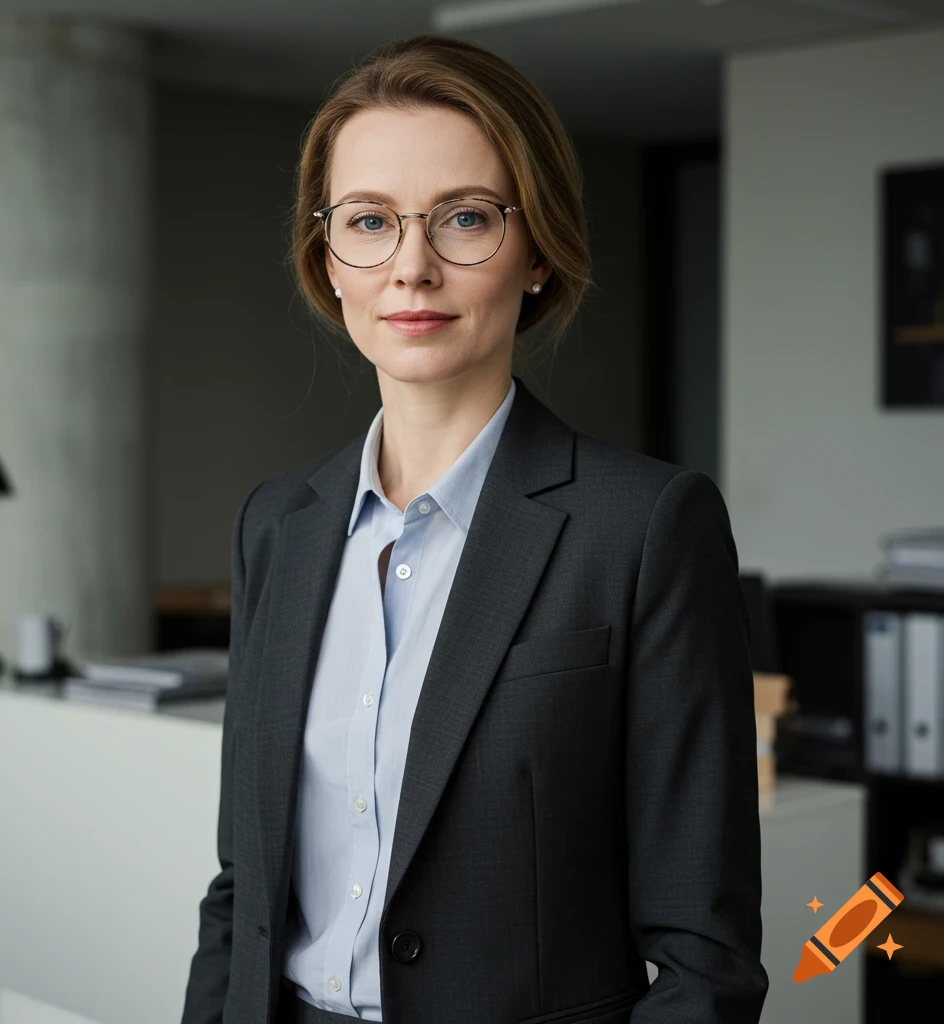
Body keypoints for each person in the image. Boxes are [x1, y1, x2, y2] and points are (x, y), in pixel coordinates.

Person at [181, 32, 769, 1024]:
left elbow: (705, 958)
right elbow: (241, 889)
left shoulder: (643, 527)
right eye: (368, 221)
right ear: (328, 259)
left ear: (537, 249)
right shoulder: (275, 526)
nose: (411, 267)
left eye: (463, 218)